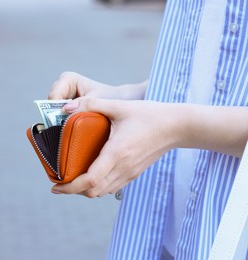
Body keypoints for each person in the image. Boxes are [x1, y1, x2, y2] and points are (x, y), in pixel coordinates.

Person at [48, 0, 248, 259]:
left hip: (228, 237)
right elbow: (198, 77)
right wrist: (118, 96)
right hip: (161, 233)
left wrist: (173, 127)